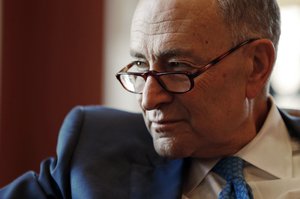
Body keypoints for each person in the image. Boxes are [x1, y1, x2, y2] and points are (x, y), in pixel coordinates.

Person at [1, 0, 300, 198]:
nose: (149, 100)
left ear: (256, 66)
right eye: (141, 66)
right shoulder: (93, 153)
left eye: (177, 67)